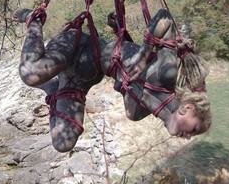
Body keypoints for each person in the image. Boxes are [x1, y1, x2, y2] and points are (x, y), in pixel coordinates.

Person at [13, 8, 211, 152]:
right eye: (193, 129)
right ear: (188, 108)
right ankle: (35, 19)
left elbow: (128, 65)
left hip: (85, 76)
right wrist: (144, 55)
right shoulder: (166, 76)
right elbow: (164, 17)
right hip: (80, 47)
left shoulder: (142, 111)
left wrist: (119, 31)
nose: (187, 137)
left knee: (63, 143)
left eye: (192, 135)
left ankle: (53, 89)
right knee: (30, 73)